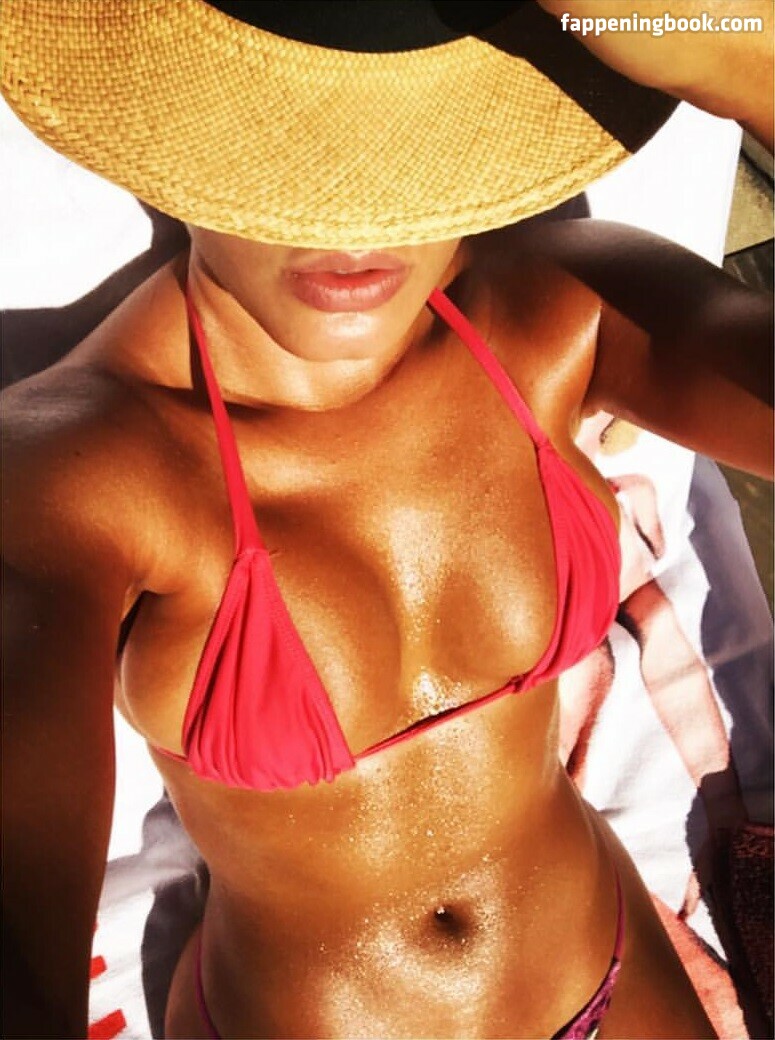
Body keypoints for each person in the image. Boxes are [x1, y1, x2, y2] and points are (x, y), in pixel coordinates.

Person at [1, 1, 772, 1037]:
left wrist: (751, 67)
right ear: (168, 145)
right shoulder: (76, 471)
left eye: (407, 152)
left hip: (608, 966)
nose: (351, 220)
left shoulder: (563, 312)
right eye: (277, 148)